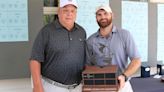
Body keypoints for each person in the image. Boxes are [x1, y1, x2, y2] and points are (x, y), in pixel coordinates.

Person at [29, 0, 86, 92]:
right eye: (65, 10)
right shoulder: (46, 31)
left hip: (77, 88)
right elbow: (35, 60)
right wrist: (37, 87)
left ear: (76, 13)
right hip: (52, 87)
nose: (69, 14)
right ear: (59, 12)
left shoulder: (81, 32)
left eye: (72, 11)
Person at [86, 5, 141, 92]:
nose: (103, 17)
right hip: (99, 86)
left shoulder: (125, 35)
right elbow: (88, 66)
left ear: (112, 15)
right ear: (96, 18)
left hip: (122, 85)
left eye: (105, 13)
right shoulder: (90, 40)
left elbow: (136, 60)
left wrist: (124, 76)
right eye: (99, 14)